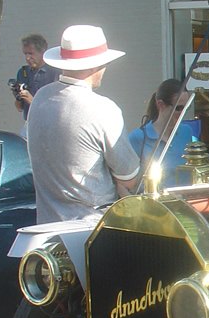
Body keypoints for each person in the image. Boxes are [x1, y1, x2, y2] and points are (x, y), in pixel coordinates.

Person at [26, 24, 140, 223]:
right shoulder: (102, 108)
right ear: (96, 66)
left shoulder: (40, 98)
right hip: (91, 229)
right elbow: (129, 178)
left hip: (46, 225)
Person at [128, 78, 201, 185]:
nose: (183, 113)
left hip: (183, 199)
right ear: (160, 104)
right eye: (179, 108)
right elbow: (123, 182)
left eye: (186, 108)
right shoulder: (138, 137)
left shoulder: (187, 132)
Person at [12, 34, 60, 120]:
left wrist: (32, 101)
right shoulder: (23, 72)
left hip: (49, 123)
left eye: (31, 53)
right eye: (25, 54)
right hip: (29, 122)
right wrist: (18, 97)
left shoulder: (55, 73)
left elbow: (57, 107)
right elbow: (19, 108)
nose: (27, 58)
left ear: (43, 52)